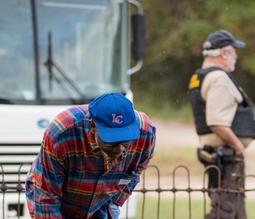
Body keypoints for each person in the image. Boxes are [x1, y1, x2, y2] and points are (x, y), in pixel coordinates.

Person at [25, 92, 156, 219]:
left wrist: (114, 203)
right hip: (55, 197)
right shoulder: (60, 134)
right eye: (111, 141)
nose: (119, 149)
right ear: (93, 126)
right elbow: (47, 199)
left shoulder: (146, 133)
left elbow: (136, 171)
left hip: (103, 203)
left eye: (126, 141)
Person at [188, 30, 255, 219]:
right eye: (233, 51)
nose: (236, 56)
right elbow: (216, 122)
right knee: (225, 212)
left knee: (233, 211)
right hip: (227, 157)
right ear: (223, 53)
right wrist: (239, 147)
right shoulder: (219, 78)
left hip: (220, 156)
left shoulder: (202, 76)